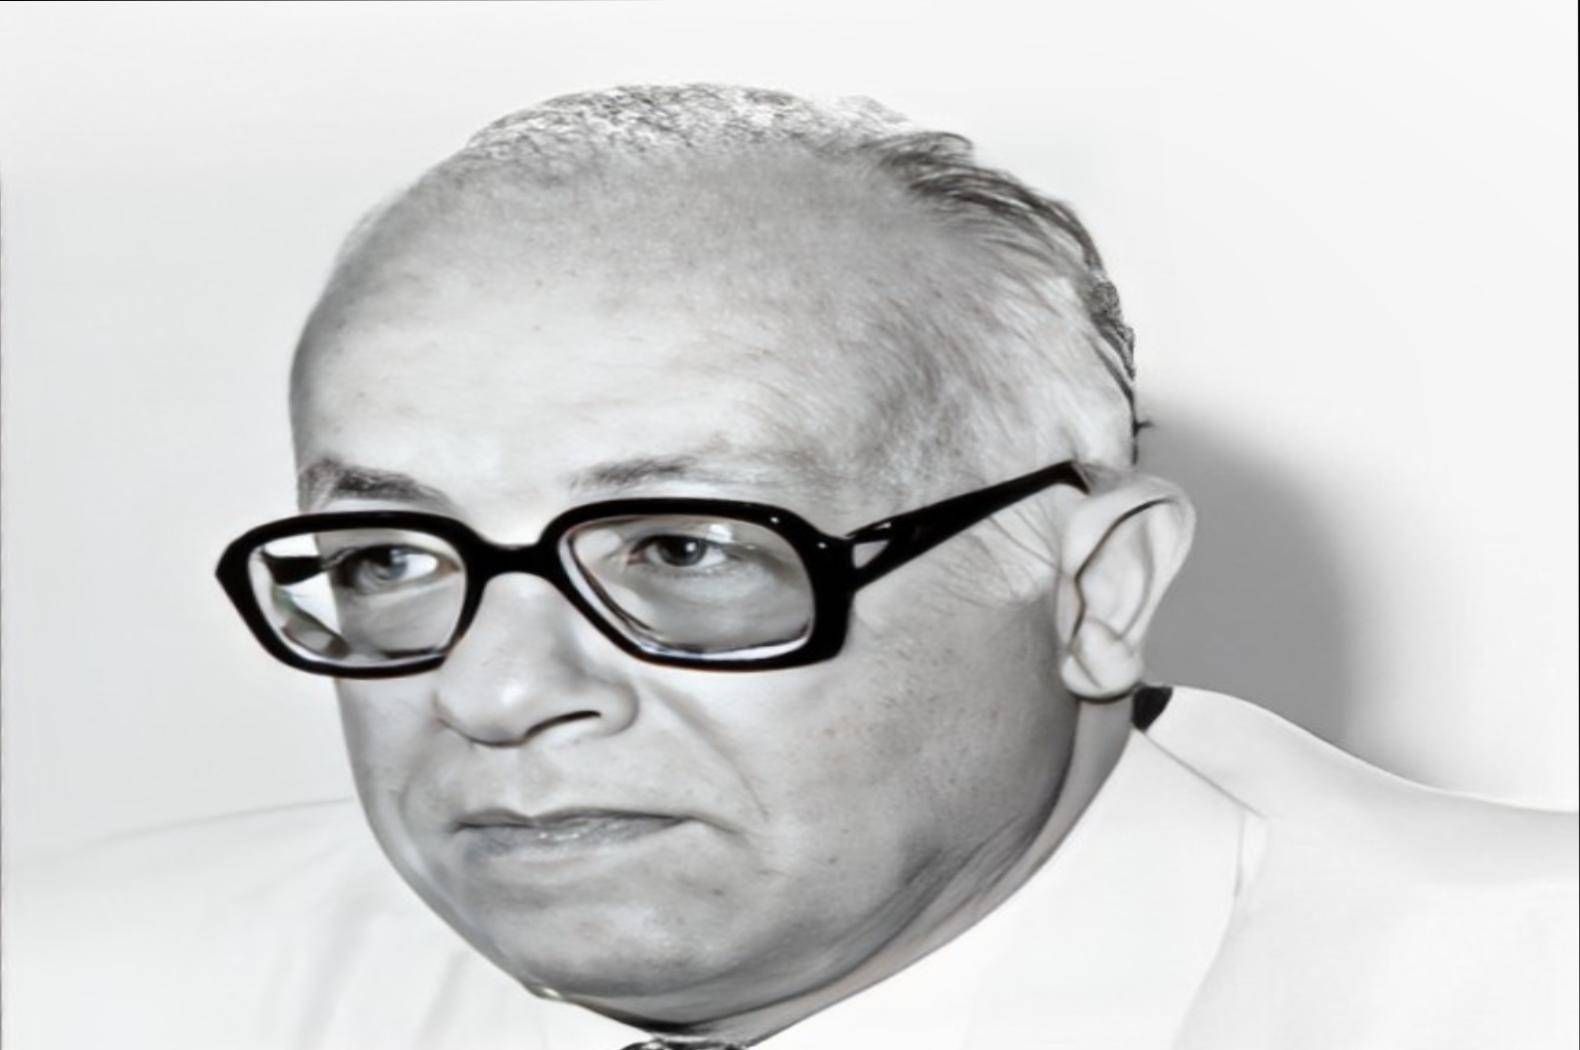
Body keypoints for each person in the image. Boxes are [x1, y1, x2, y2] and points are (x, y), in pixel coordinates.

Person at [11, 84, 1575, 1050]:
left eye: (683, 546)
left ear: (1094, 588)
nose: (489, 691)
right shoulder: (80, 985)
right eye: (388, 556)